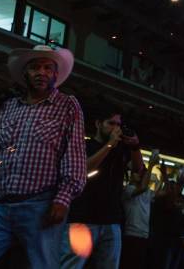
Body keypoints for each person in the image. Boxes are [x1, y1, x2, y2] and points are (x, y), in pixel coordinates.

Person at [0, 45, 86, 268]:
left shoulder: (67, 105)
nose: (41, 73)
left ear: (56, 74)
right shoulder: (9, 107)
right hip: (1, 204)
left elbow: (74, 154)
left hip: (41, 205)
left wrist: (63, 198)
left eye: (48, 68)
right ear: (25, 73)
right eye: (35, 67)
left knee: (43, 265)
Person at [61, 111, 145, 268]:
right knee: (71, 265)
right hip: (82, 218)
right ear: (98, 124)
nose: (116, 128)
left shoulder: (121, 149)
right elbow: (83, 170)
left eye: (118, 124)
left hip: (111, 220)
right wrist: (108, 145)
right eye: (111, 123)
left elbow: (138, 170)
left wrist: (135, 147)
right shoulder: (84, 145)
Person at [120, 151, 160, 269]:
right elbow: (142, 187)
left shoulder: (146, 192)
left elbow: (164, 192)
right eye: (136, 172)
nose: (139, 174)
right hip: (131, 234)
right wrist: (151, 165)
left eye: (140, 173)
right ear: (130, 175)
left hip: (144, 235)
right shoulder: (127, 190)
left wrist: (165, 177)